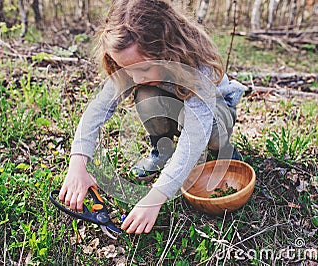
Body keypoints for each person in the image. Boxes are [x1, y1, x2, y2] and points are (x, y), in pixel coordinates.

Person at [59, 0, 245, 235]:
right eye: (127, 69)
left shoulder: (198, 67)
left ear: (167, 51)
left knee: (213, 131)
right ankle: (162, 151)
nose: (134, 78)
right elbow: (97, 110)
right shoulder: (135, 63)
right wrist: (78, 162)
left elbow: (194, 137)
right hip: (175, 105)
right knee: (146, 94)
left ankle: (222, 153)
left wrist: (155, 197)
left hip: (215, 111)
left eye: (144, 69)